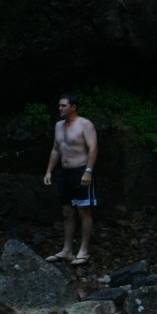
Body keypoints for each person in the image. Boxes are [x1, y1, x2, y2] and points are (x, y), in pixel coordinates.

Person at [43, 93, 98, 265]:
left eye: (63, 105)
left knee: (83, 210)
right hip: (64, 172)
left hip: (81, 170)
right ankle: (67, 250)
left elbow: (93, 148)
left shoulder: (85, 124)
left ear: (73, 107)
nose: (59, 108)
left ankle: (84, 251)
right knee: (67, 211)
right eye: (59, 105)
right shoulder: (58, 126)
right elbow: (56, 149)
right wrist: (49, 171)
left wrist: (88, 171)